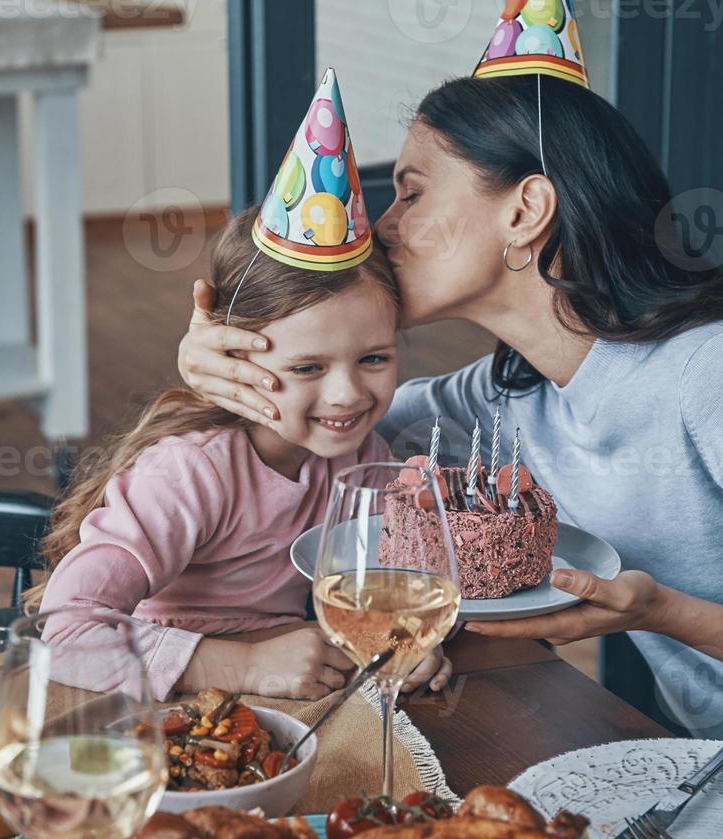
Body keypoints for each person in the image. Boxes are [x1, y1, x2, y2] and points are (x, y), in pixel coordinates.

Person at [176, 74, 723, 839]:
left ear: (525, 211)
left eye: (409, 192)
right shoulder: (516, 394)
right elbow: (317, 430)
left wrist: (664, 612)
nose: (383, 226)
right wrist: (214, 369)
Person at [30, 207, 452, 702]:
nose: (347, 393)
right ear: (235, 362)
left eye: (373, 358)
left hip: (294, 681)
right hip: (161, 694)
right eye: (308, 367)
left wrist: (408, 643)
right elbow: (63, 633)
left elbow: (388, 592)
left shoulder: (363, 461)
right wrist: (244, 665)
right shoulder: (190, 472)